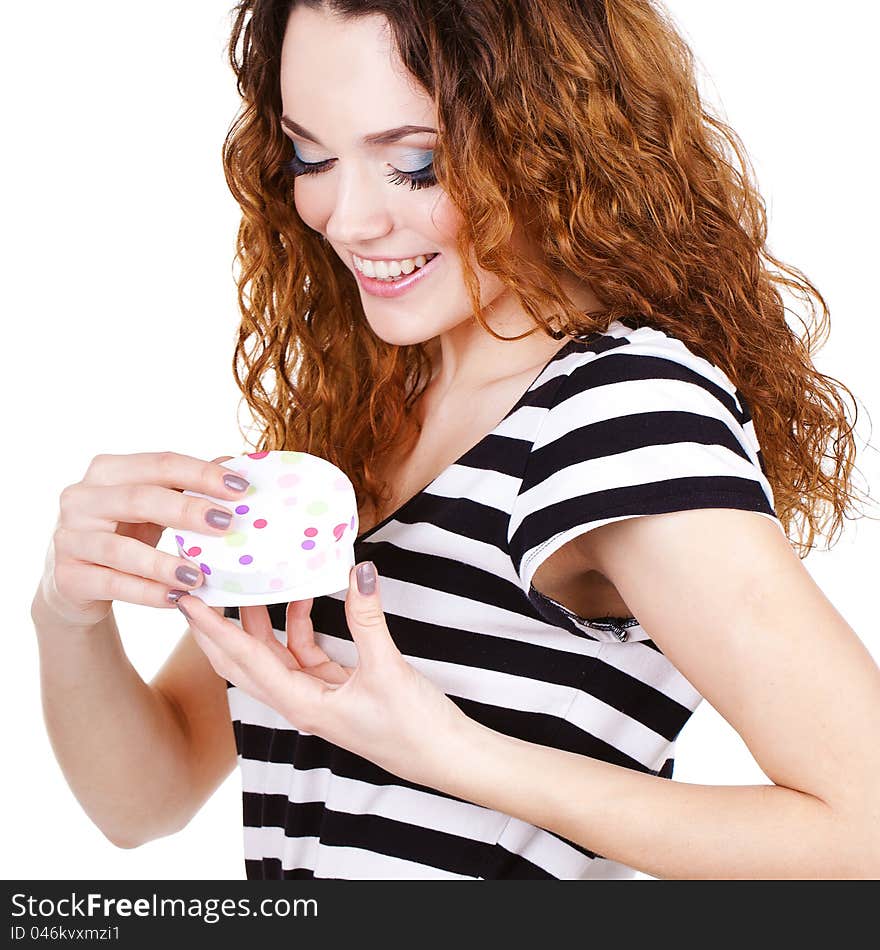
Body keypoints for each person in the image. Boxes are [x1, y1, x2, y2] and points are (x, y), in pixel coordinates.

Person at [31, 0, 880, 880]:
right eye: (311, 155)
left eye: (416, 165)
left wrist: (455, 754)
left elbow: (864, 833)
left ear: (553, 140)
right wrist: (68, 611)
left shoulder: (614, 412)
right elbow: (146, 802)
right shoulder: (372, 407)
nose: (348, 218)